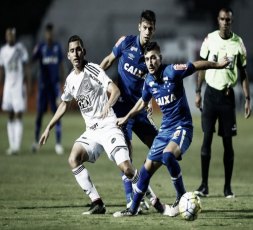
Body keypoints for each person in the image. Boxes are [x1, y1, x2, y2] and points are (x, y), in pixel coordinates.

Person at [39, 35, 170, 215]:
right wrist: (48, 127)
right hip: (91, 132)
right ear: (68, 56)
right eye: (71, 51)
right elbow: (64, 103)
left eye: (78, 49)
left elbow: (114, 90)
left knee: (127, 168)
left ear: (83, 51)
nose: (75, 53)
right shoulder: (70, 80)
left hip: (108, 126)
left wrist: (108, 105)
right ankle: (97, 202)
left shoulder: (92, 69)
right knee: (73, 158)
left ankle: (155, 201)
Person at [113, 41, 230, 217]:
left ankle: (181, 196)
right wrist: (127, 117)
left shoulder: (172, 71)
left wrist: (219, 65)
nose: (150, 62)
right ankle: (132, 209)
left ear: (160, 59)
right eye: (146, 59)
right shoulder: (149, 81)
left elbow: (196, 65)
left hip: (183, 127)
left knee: (167, 156)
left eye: (153, 58)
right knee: (146, 169)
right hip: (165, 130)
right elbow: (142, 103)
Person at [100, 9, 160, 211]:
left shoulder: (153, 55)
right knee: (126, 154)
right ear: (139, 27)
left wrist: (151, 102)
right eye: (145, 27)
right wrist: (95, 79)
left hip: (140, 110)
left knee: (160, 148)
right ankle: (130, 199)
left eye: (151, 28)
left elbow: (154, 83)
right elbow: (108, 60)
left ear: (154, 29)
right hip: (121, 109)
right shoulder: (125, 42)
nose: (147, 31)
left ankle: (139, 184)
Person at [194, 8, 251, 198]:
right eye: (222, 19)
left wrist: (247, 99)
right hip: (210, 95)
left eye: (228, 20)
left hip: (227, 98)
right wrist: (197, 92)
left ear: (231, 22)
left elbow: (243, 73)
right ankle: (204, 186)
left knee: (228, 143)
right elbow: (201, 67)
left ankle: (227, 188)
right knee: (206, 140)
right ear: (218, 20)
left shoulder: (238, 43)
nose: (225, 22)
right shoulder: (210, 39)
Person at [32, 23, 64, 155]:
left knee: (57, 114)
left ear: (53, 33)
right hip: (43, 87)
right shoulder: (40, 47)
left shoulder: (57, 47)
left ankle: (58, 144)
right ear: (45, 34)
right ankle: (35, 141)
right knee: (39, 113)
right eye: (48, 32)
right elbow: (32, 61)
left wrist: (63, 84)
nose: (49, 35)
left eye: (51, 32)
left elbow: (62, 66)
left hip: (55, 86)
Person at [0, 27, 30, 155]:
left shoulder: (20, 49)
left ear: (14, 36)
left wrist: (27, 84)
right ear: (6, 37)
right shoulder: (3, 51)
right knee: (10, 115)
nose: (9, 37)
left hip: (18, 86)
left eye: (11, 35)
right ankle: (12, 146)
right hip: (8, 87)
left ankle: (17, 146)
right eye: (7, 35)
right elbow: (1, 69)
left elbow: (26, 66)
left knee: (18, 114)